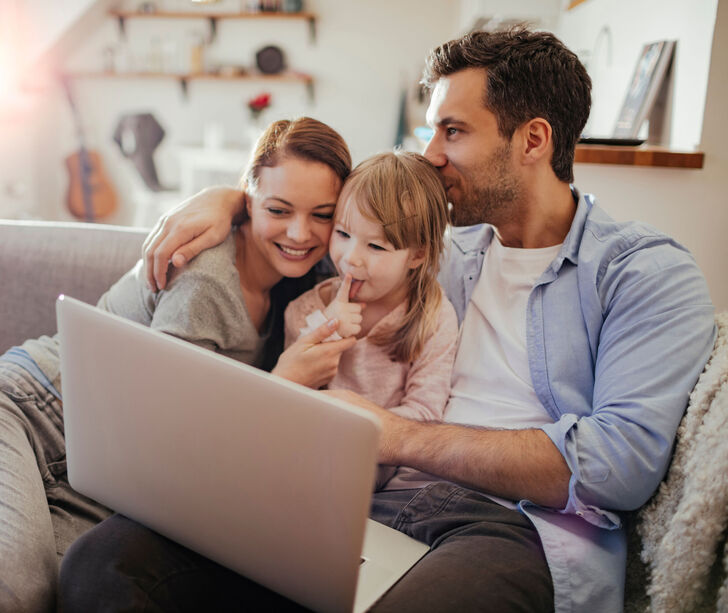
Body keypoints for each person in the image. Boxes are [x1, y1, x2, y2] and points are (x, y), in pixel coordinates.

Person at [73, 27, 716, 612]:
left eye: (453, 132)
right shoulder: (434, 249)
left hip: (504, 526)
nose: (430, 154)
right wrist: (232, 204)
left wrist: (397, 437)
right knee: (107, 561)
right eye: (431, 131)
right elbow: (325, 232)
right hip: (352, 496)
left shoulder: (641, 273)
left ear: (533, 140)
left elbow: (619, 465)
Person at [0, 117, 354, 612]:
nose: (301, 233)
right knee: (5, 590)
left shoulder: (308, 281)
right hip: (16, 414)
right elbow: (168, 439)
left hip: (90, 479)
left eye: (322, 216)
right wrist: (283, 387)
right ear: (248, 196)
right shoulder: (207, 278)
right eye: (278, 210)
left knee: (57, 592)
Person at [281, 151, 457, 489]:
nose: (351, 259)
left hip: (384, 484)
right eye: (343, 234)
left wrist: (354, 433)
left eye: (376, 246)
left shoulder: (433, 318)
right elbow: (290, 405)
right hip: (308, 470)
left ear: (418, 254)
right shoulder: (304, 311)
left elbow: (424, 417)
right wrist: (326, 333)